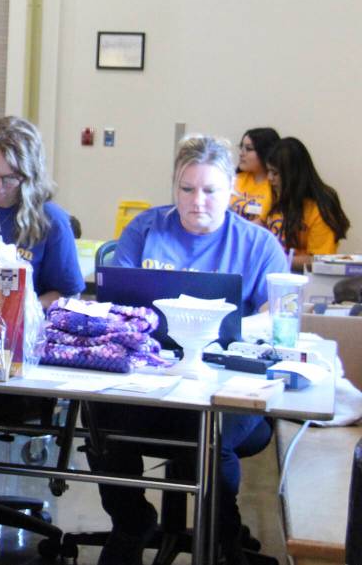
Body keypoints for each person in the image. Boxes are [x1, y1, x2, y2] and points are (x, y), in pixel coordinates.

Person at [95, 135, 288, 565]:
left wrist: (233, 327)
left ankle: (222, 538)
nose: (197, 201)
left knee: (211, 432)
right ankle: (131, 522)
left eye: (210, 190)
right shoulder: (145, 229)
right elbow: (115, 307)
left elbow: (279, 322)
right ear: (174, 187)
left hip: (227, 386)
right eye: (186, 189)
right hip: (153, 378)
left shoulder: (259, 246)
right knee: (100, 416)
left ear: (231, 191)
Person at [0, 116, 84, 308]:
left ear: (29, 178)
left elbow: (69, 293)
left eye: (10, 179)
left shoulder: (51, 221)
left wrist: (26, 310)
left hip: (28, 328)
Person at [264, 137, 350, 272]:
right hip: (273, 273)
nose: (269, 178)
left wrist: (273, 260)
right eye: (268, 171)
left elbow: (320, 259)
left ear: (293, 175)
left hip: (305, 279)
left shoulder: (322, 206)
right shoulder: (275, 194)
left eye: (275, 173)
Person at [229, 127, 280, 223]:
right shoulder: (235, 179)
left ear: (265, 152)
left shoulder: (275, 185)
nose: (241, 154)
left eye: (249, 149)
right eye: (241, 148)